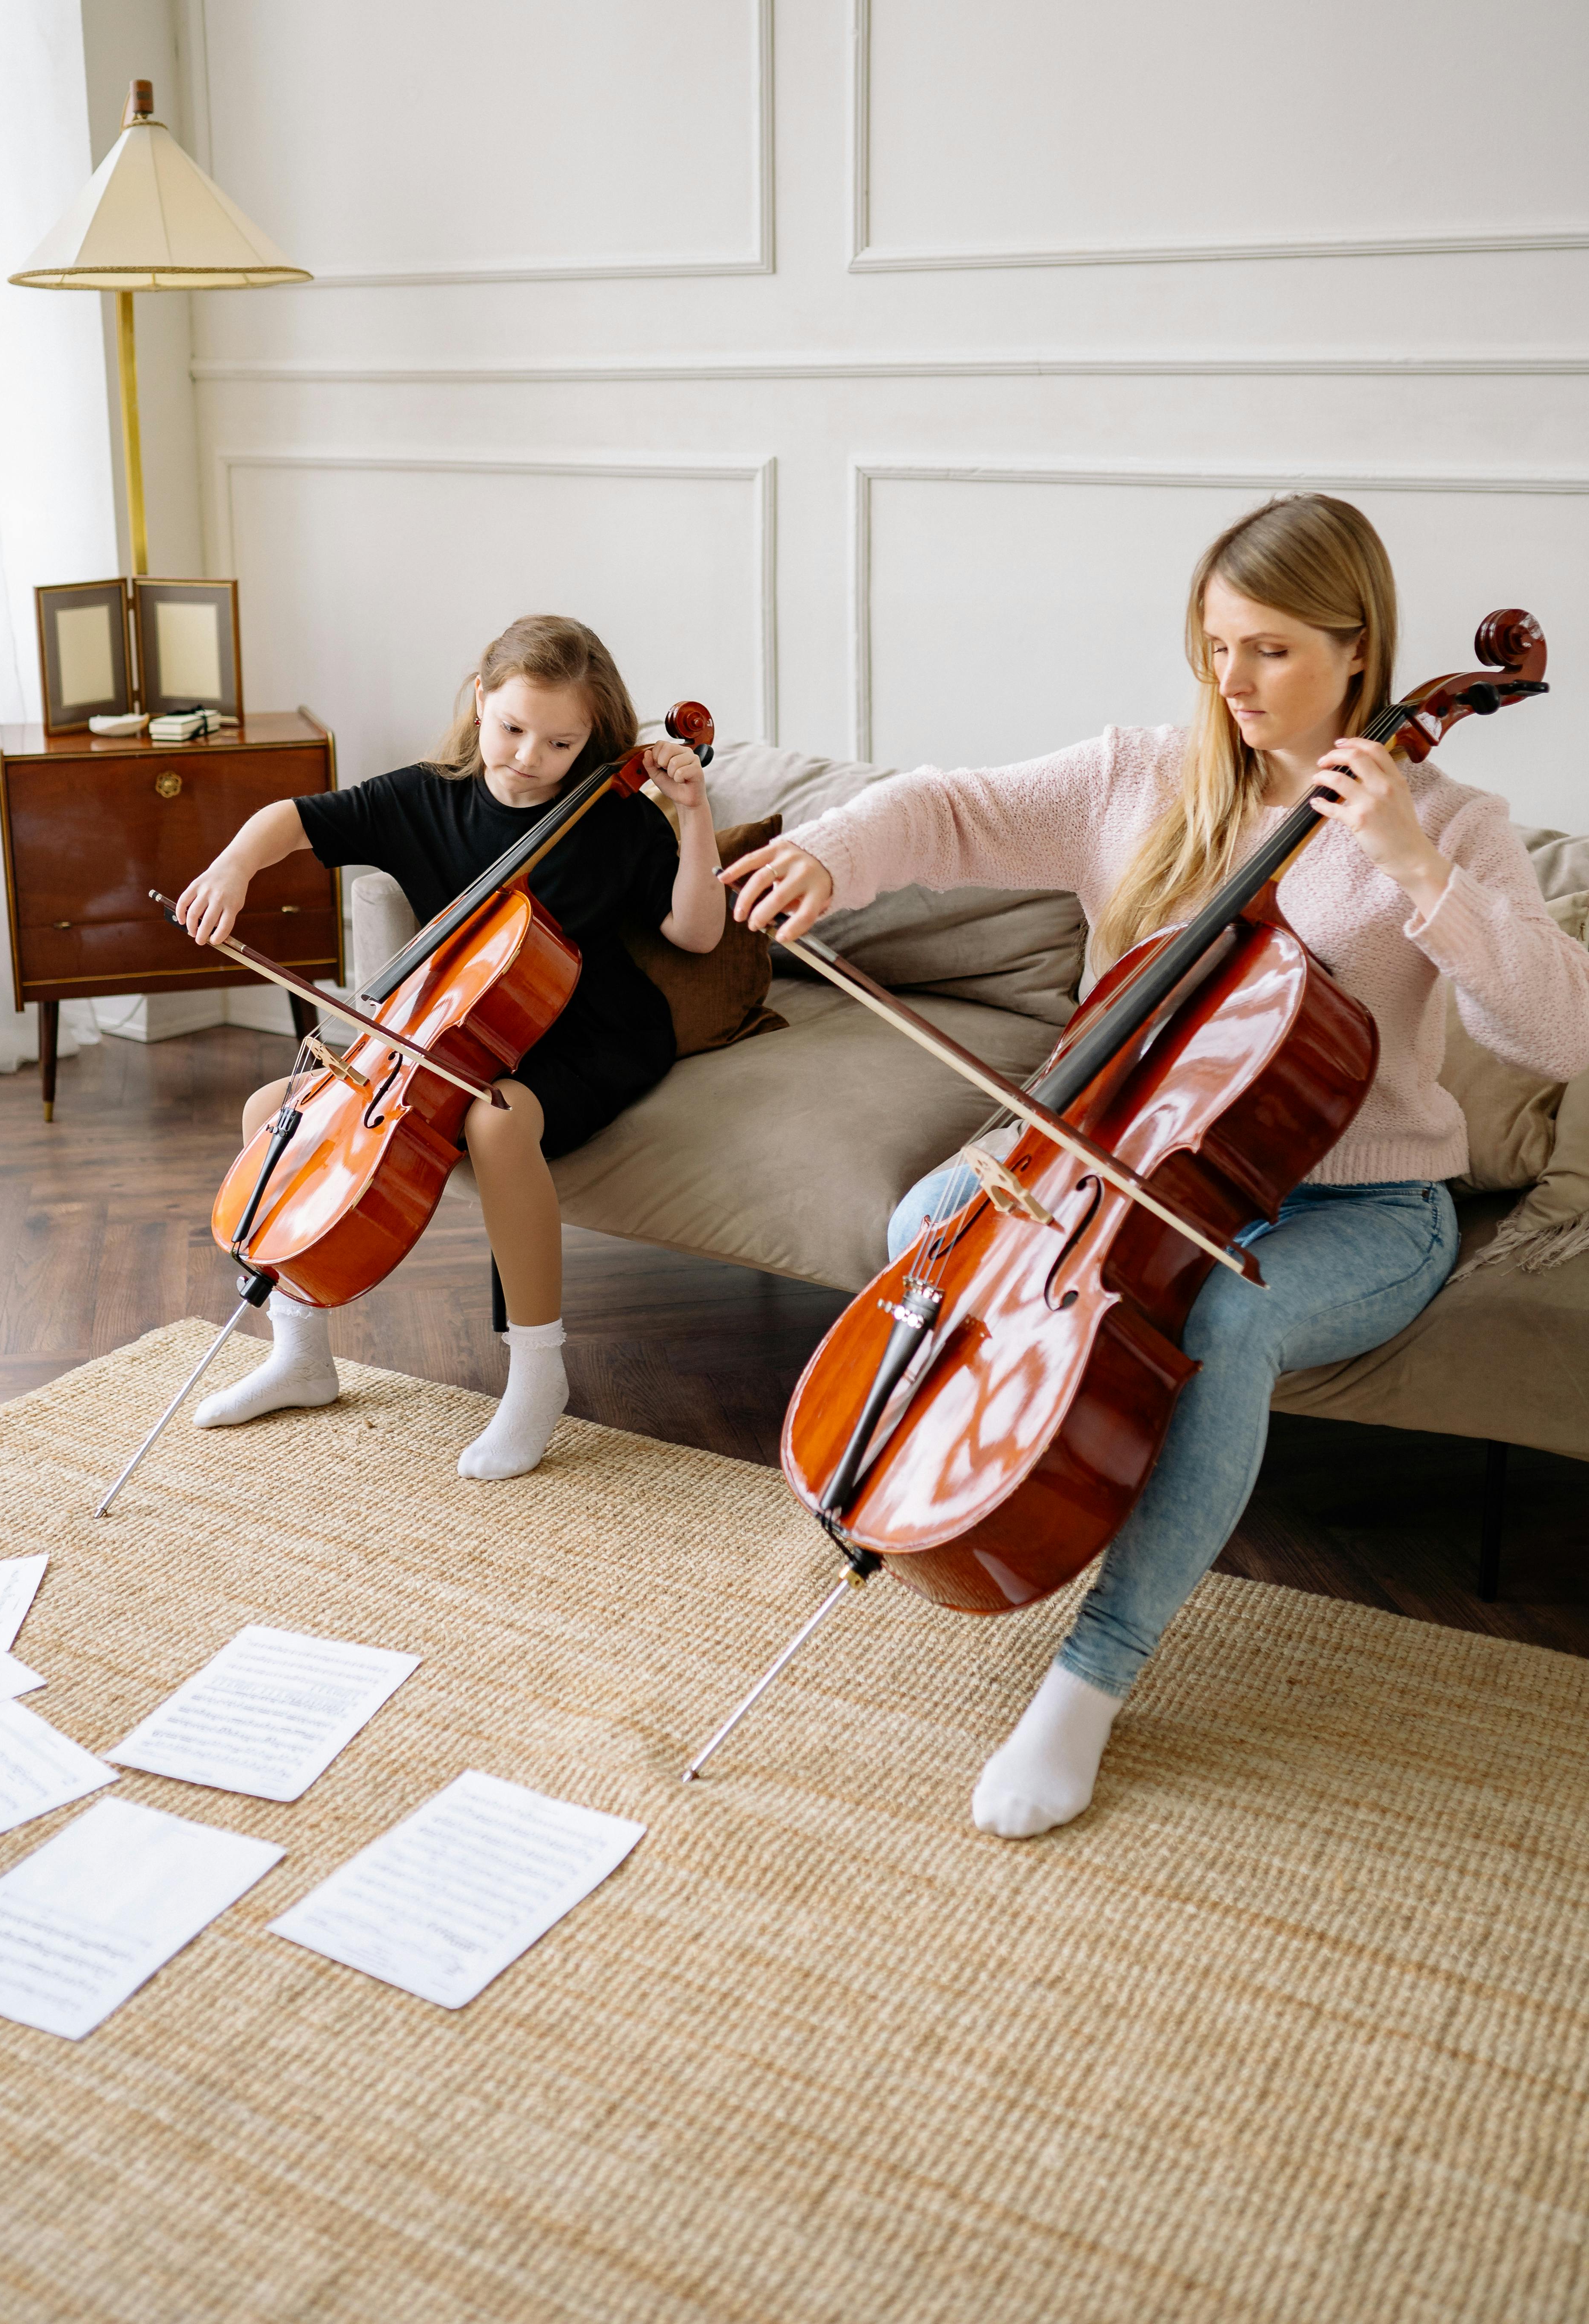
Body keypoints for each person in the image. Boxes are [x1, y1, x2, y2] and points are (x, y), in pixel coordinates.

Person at [723, 494, 1589, 1842]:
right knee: (934, 1216)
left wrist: (1414, 863)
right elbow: (953, 810)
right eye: (1214, 646)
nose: (1232, 684)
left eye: (1272, 651)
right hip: (1124, 1169)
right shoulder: (1142, 776)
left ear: (1359, 653)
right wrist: (835, 852)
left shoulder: (1450, 822)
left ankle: (1091, 1678)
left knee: (1227, 1317)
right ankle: (963, 1487)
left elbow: (1556, 1028)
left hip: (1364, 1206)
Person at [174, 615, 724, 1479]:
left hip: (591, 1031)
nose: (526, 755)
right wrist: (233, 868)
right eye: (511, 728)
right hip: (460, 1030)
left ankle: (537, 1376)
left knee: (496, 1124)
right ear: (479, 702)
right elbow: (293, 820)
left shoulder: (615, 820)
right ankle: (301, 1352)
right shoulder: (426, 796)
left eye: (558, 741)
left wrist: (690, 813)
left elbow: (695, 934)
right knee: (269, 1114)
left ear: (591, 740)